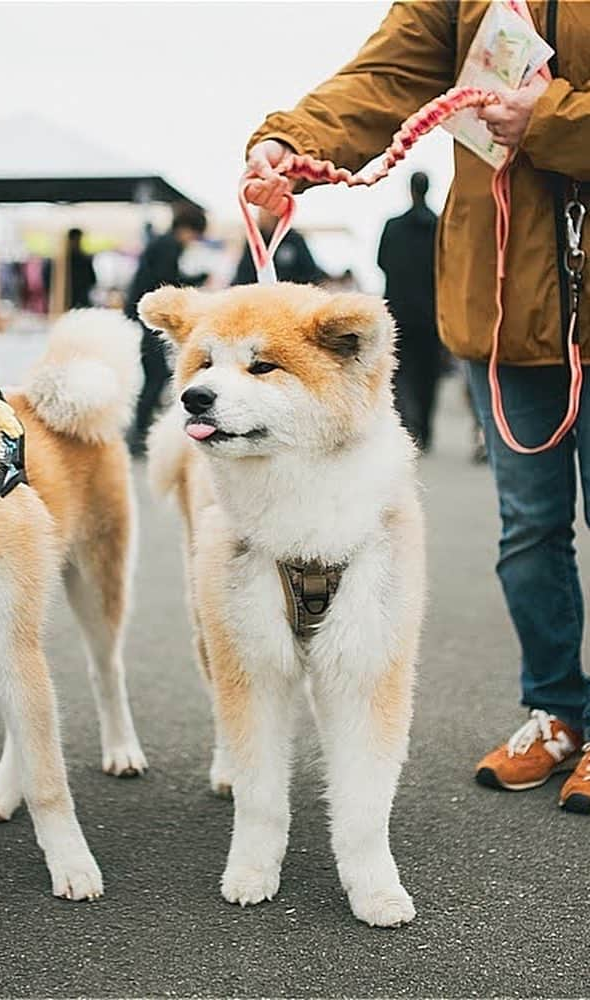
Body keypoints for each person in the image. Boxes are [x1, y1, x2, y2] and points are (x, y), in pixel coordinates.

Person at [242, 2, 590, 812]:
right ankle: (557, 710)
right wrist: (298, 140)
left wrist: (555, 118)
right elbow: (386, 75)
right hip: (502, 304)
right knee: (529, 528)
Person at [124, 202, 209, 455]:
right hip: (150, 318)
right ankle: (139, 432)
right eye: (195, 234)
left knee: (154, 374)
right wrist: (197, 281)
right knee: (156, 374)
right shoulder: (169, 246)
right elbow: (166, 282)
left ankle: (140, 428)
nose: (193, 240)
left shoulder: (163, 243)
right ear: (187, 228)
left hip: (144, 316)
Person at [378, 171, 443, 452]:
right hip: (432, 313)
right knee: (428, 374)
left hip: (399, 312)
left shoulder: (393, 227)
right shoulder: (439, 227)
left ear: (410, 190)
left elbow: (381, 262)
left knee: (400, 373)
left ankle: (409, 423)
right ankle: (426, 429)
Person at [232, 207, 327, 286]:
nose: (265, 215)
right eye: (262, 210)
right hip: (261, 298)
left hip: (291, 298)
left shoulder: (294, 239)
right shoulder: (254, 241)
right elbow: (242, 277)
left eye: (268, 210)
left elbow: (311, 273)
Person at [65, 228, 97, 309]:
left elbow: (92, 280)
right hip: (67, 300)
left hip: (81, 300)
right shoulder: (61, 262)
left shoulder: (85, 260)